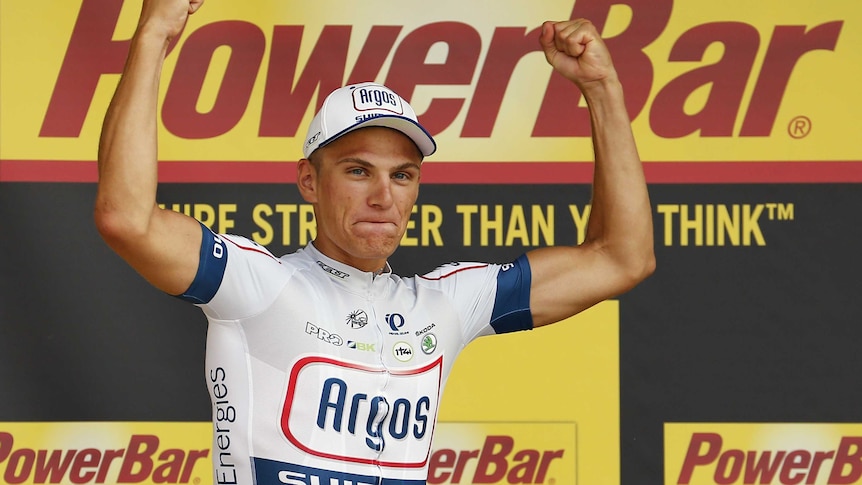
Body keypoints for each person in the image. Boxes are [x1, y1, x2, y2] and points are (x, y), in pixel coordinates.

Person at [94, 0, 655, 483]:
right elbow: (127, 218)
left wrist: (602, 90)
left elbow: (623, 258)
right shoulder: (259, 284)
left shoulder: (444, 304)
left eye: (402, 175)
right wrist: (154, 36)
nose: (383, 195)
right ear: (309, 181)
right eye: (358, 171)